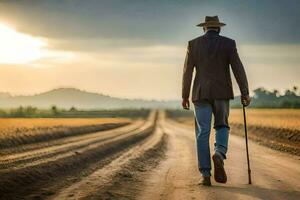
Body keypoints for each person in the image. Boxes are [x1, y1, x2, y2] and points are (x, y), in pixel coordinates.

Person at [181, 16, 251, 186]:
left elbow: (187, 72)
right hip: (222, 92)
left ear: (203, 29)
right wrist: (244, 92)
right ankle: (219, 153)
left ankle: (205, 175)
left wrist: (184, 95)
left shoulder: (193, 44)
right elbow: (238, 69)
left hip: (200, 93)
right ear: (219, 29)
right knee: (222, 125)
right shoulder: (229, 43)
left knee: (202, 132)